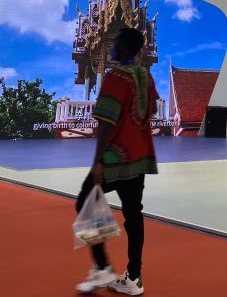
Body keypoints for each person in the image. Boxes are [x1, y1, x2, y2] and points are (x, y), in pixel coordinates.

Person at [75, 27, 158, 296]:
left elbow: (106, 123)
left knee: (84, 202)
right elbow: (151, 109)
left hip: (115, 158)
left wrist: (98, 161)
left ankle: (103, 267)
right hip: (139, 157)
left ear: (122, 48)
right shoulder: (145, 76)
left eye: (115, 44)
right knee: (133, 215)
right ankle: (134, 277)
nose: (110, 48)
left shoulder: (115, 78)